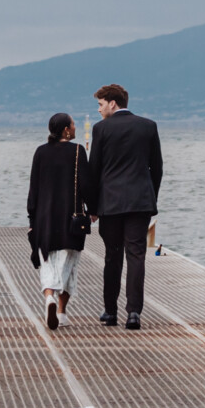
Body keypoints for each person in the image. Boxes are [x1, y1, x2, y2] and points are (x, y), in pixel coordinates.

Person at [83, 82, 163, 328]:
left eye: (100, 104)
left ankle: (110, 312)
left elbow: (94, 170)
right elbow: (156, 168)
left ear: (112, 103)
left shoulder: (101, 129)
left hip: (111, 203)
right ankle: (134, 313)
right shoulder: (148, 126)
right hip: (140, 203)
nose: (98, 110)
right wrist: (151, 198)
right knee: (136, 256)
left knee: (112, 256)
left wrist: (93, 207)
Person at [26, 112, 92, 329]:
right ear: (65, 129)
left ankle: (49, 298)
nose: (75, 128)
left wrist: (32, 217)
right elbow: (85, 184)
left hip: (45, 218)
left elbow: (33, 188)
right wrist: (94, 209)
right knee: (68, 263)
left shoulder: (41, 152)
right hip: (70, 218)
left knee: (47, 260)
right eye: (73, 125)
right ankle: (61, 311)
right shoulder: (77, 151)